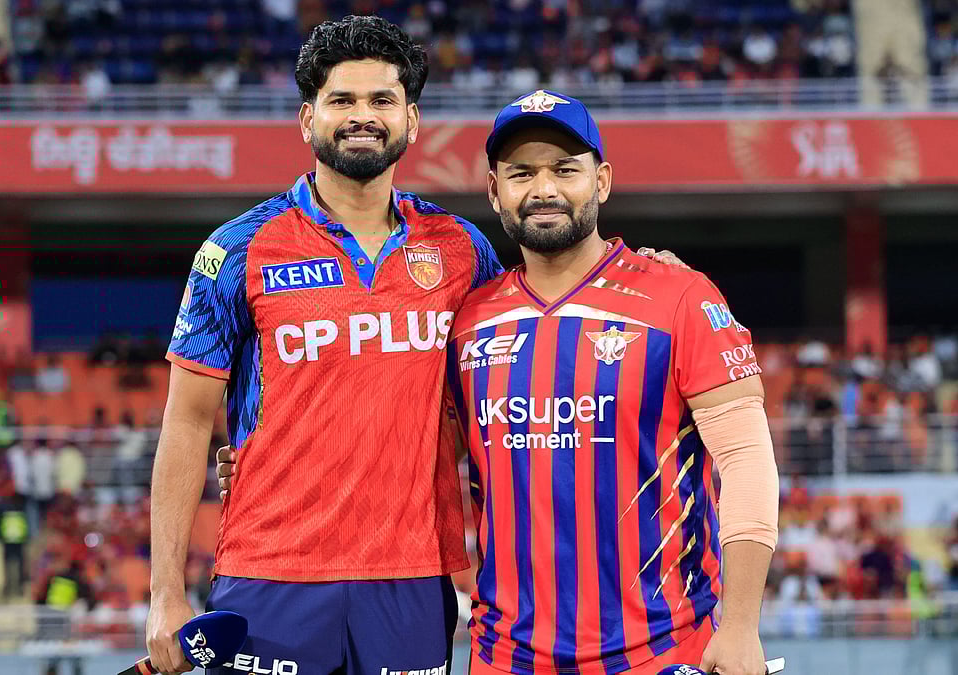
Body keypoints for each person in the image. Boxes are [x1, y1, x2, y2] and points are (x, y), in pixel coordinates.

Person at [217, 90, 778, 675]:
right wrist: (267, 462)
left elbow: (746, 460)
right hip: (503, 656)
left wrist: (740, 626)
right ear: (494, 191)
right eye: (521, 174)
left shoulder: (680, 298)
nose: (544, 190)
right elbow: (406, 440)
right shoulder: (469, 316)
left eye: (565, 170)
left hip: (664, 652)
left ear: (603, 180)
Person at [145, 16, 502, 675]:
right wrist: (165, 592)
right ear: (307, 120)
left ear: (412, 120)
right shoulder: (236, 249)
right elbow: (188, 420)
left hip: (412, 579)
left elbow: (522, 357)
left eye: (381, 100)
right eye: (342, 100)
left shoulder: (462, 251)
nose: (362, 116)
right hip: (270, 574)